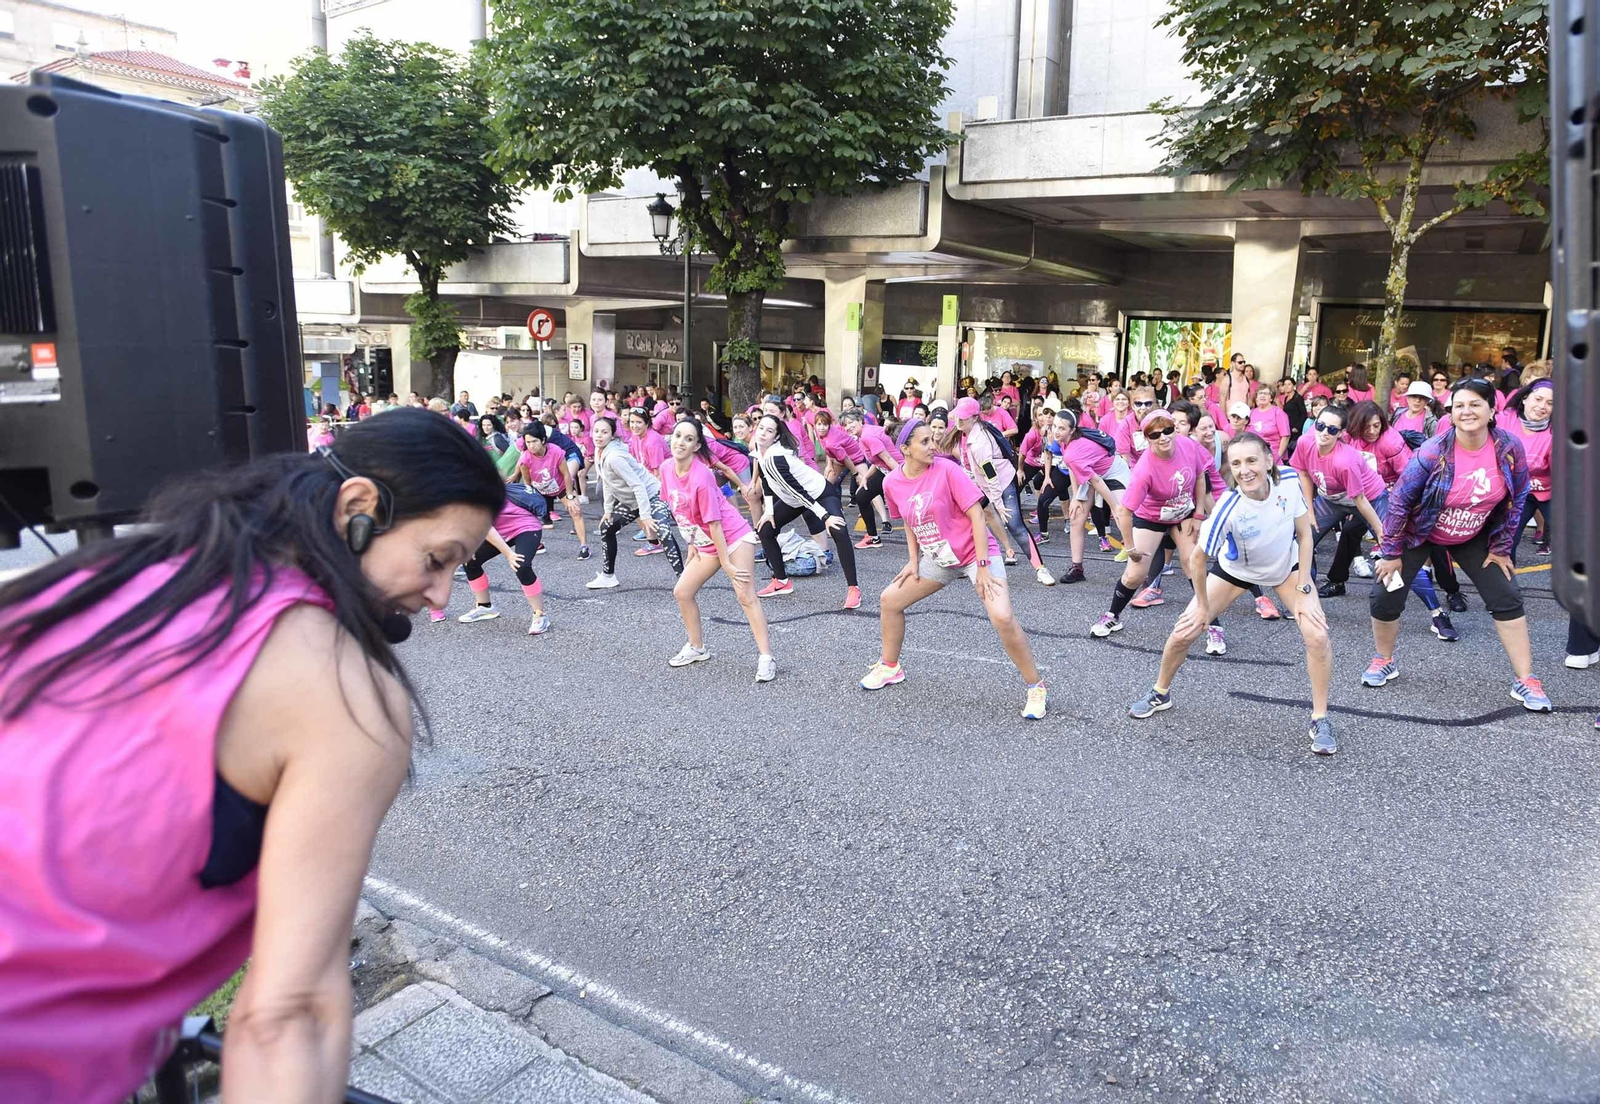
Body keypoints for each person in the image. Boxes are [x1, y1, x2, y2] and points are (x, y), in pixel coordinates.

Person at [0, 409, 503, 1103]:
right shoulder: (344, 698)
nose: (442, 594)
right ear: (358, 507)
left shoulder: (120, 577)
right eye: (436, 558)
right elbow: (287, 1015)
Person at [1126, 431, 1338, 756]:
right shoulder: (1229, 507)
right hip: (1235, 572)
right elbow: (1197, 559)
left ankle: (1320, 718)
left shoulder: (1289, 482)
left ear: (1269, 459)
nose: (1244, 470)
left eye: (1252, 460)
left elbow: (1304, 534)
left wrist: (1306, 584)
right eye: (1236, 463)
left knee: (1317, 634)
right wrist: (1201, 605)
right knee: (1184, 632)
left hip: (1286, 569)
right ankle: (1160, 692)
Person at [1363, 379, 1551, 711]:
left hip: (1474, 533)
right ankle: (1384, 659)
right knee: (1385, 593)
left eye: (1476, 404)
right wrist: (1391, 553)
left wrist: (1501, 547)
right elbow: (1399, 504)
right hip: (1420, 531)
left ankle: (1526, 680)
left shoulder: (1509, 448)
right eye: (1459, 405)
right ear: (1450, 412)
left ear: (1492, 410)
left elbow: (1518, 498)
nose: (1467, 411)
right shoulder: (1432, 451)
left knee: (1507, 595)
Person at [859, 422, 1048, 719]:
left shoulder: (948, 470)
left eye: (932, 440)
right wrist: (912, 559)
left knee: (1002, 616)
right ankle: (890, 667)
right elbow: (908, 520)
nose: (933, 446)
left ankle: (1035, 686)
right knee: (889, 600)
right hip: (939, 557)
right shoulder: (892, 482)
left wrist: (983, 566)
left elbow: (977, 513)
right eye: (924, 442)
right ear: (905, 449)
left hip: (975, 553)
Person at [1089, 408, 1225, 639]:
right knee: (1135, 574)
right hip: (1151, 516)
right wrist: (1130, 548)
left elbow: (1202, 476)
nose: (1163, 437)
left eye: (1168, 430)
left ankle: (1213, 624)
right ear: (1147, 439)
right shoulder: (1145, 469)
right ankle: (1112, 616)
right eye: (1155, 434)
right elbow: (1124, 512)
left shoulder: (1188, 445)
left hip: (1183, 513)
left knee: (1193, 564)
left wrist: (1199, 515)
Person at [658, 419, 775, 681]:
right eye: (678, 436)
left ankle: (766, 658)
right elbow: (681, 512)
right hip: (706, 541)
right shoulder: (666, 469)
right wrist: (692, 545)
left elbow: (716, 524)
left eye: (689, 439)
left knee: (745, 595)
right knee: (682, 591)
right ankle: (697, 647)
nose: (681, 442)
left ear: (697, 445)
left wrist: (728, 564)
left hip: (733, 537)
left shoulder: (702, 476)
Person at [1344, 401, 1461, 640]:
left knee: (1398, 555)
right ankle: (1323, 587)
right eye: (1368, 427)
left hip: (1392, 497)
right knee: (1345, 531)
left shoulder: (1390, 441)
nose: (1373, 431)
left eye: (1377, 425)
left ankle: (1439, 612)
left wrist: (1403, 512)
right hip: (1360, 498)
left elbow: (1410, 479)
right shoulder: (1346, 438)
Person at [748, 414, 863, 609]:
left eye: (769, 431)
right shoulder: (760, 449)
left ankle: (854, 589)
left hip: (819, 492)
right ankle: (781, 582)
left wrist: (825, 517)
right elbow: (766, 481)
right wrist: (768, 510)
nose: (763, 433)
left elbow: (799, 491)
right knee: (766, 530)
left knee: (838, 529)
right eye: (761, 428)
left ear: (776, 437)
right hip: (796, 498)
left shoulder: (776, 458)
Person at [949, 397, 1054, 585]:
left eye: (963, 417)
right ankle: (969, 564)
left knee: (1014, 525)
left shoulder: (980, 441)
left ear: (975, 417)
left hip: (1001, 481)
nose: (958, 420)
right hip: (982, 483)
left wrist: (997, 503)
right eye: (958, 416)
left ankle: (1041, 569)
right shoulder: (963, 432)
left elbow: (991, 474)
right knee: (965, 519)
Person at [587, 415, 685, 588]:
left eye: (604, 432)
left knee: (663, 532)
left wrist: (645, 516)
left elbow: (639, 486)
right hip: (633, 500)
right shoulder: (599, 451)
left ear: (612, 435)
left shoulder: (614, 457)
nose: (599, 435)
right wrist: (608, 511)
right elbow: (608, 482)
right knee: (607, 526)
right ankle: (608, 576)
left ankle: (684, 580)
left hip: (653, 495)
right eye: (596, 431)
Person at [456, 484, 553, 636]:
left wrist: (509, 554)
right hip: (500, 530)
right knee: (470, 560)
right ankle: (485, 607)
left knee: (521, 565)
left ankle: (540, 615)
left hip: (524, 526)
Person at [1505, 380, 1553, 562]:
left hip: (1551, 493)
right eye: (1538, 399)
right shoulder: (1506, 419)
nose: (1542, 407)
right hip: (1519, 493)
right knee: (1507, 541)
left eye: (1550, 403)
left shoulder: (1557, 430)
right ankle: (1507, 588)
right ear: (1525, 398)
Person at [842, 409, 902, 548]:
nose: (848, 427)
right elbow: (878, 461)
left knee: (908, 508)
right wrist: (866, 478)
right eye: (845, 425)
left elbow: (888, 458)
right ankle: (873, 538)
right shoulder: (865, 433)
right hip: (885, 469)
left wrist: (904, 480)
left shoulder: (867, 436)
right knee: (862, 496)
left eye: (851, 422)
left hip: (895, 469)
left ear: (860, 420)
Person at [1248, 383, 1292, 462]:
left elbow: (1286, 436)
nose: (1262, 396)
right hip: (1253, 454)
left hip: (1273, 454)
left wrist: (1278, 457)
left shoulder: (1278, 412)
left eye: (1266, 394)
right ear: (1256, 398)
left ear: (1271, 398)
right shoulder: (1251, 413)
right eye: (1260, 393)